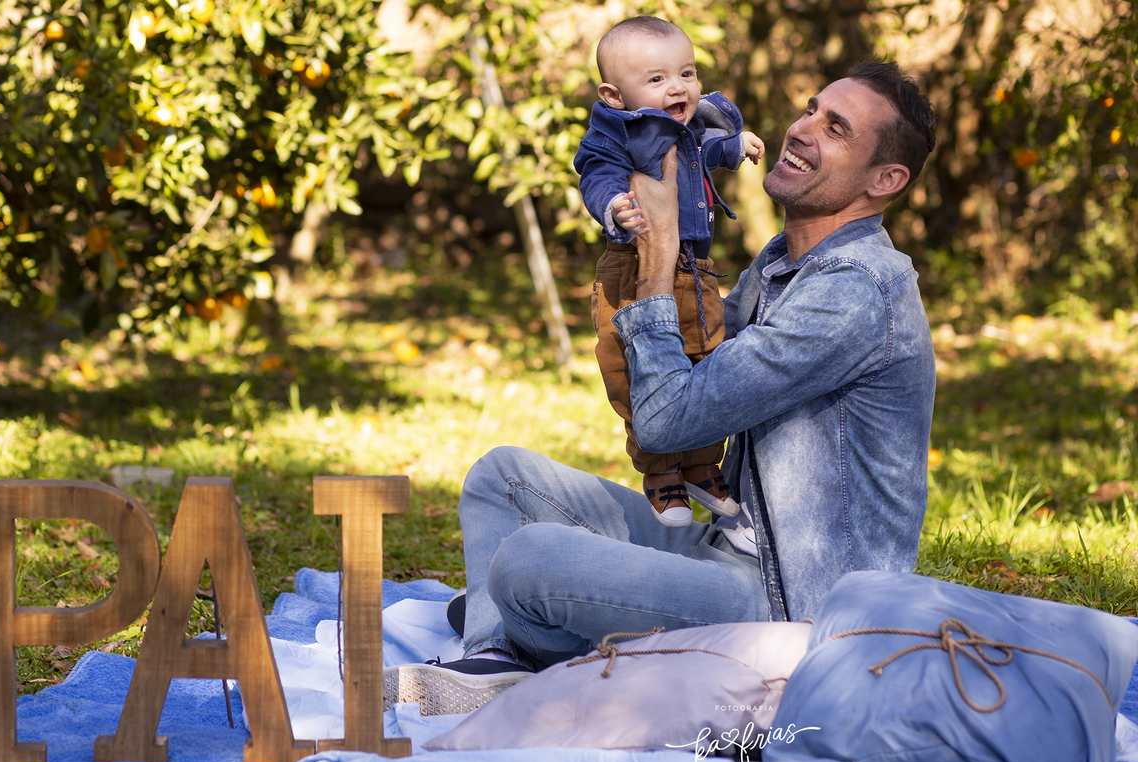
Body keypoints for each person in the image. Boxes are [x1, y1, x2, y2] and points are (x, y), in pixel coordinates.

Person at [384, 59, 938, 716]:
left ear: (886, 180)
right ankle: (499, 653)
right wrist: (643, 230)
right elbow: (696, 367)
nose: (801, 128)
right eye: (812, 108)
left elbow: (671, 422)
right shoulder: (786, 263)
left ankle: (528, 624)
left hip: (792, 611)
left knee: (526, 559)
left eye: (836, 128)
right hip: (724, 551)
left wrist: (656, 269)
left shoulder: (853, 292)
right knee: (501, 478)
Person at [574, 16, 766, 527]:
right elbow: (596, 175)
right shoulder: (613, 132)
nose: (678, 87)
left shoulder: (693, 124)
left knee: (706, 359)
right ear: (614, 95)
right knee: (631, 367)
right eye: (656, 79)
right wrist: (615, 206)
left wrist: (737, 145)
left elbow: (707, 150)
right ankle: (661, 473)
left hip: (696, 269)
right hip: (629, 268)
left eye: (687, 72)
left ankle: (703, 465)